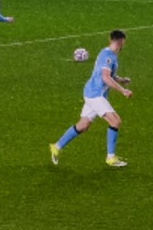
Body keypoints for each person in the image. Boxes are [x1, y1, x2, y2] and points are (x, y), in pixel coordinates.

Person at [49, 30, 131, 169]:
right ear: (120, 41)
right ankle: (111, 157)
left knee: (83, 125)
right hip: (95, 94)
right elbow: (105, 77)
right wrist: (123, 91)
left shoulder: (109, 54)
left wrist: (121, 80)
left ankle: (56, 147)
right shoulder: (107, 56)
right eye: (123, 42)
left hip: (92, 92)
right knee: (115, 121)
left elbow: (109, 75)